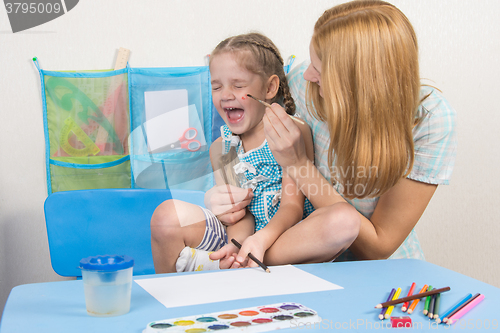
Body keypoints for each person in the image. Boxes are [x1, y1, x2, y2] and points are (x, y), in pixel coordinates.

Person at [205, 0, 457, 262]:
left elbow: (378, 247)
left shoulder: (430, 120)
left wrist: (299, 164)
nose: (306, 75)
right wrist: (223, 201)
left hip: (378, 271)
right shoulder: (303, 87)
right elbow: (244, 146)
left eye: (319, 69)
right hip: (305, 260)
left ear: (357, 80)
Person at [150, 33, 361, 273]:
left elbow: (292, 206)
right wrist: (235, 245)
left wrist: (260, 241)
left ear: (270, 87)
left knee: (344, 220)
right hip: (240, 237)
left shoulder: (290, 132)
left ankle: (239, 266)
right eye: (216, 86)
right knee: (165, 217)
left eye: (238, 85)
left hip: (284, 237)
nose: (226, 94)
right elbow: (237, 214)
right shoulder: (222, 148)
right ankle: (234, 264)